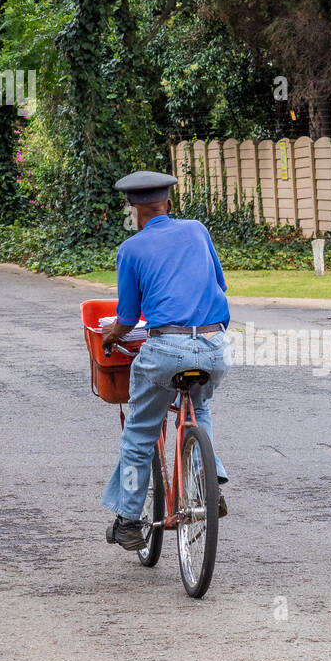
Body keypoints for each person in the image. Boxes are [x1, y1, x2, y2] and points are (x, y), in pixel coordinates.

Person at [101, 170, 231, 551]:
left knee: (140, 434)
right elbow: (219, 286)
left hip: (165, 351)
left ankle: (127, 520)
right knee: (199, 408)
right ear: (169, 205)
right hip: (214, 347)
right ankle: (210, 483)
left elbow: (127, 319)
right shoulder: (196, 230)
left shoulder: (131, 249)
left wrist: (111, 335)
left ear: (134, 211)